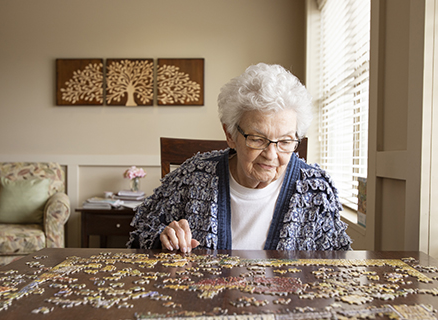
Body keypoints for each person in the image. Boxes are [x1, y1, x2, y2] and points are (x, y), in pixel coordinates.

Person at [128, 63, 351, 253]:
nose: (271, 155)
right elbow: (139, 234)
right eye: (257, 139)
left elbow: (338, 263)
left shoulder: (316, 189)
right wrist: (163, 238)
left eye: (285, 141)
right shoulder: (192, 178)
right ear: (230, 135)